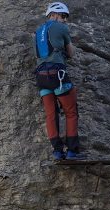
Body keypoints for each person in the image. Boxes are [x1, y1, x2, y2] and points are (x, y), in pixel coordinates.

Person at [35, 2, 84, 161]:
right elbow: (71, 53)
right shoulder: (61, 28)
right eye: (63, 16)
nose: (65, 20)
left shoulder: (38, 31)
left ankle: (57, 151)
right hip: (58, 74)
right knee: (70, 111)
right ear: (54, 15)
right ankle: (71, 151)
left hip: (41, 76)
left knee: (51, 114)